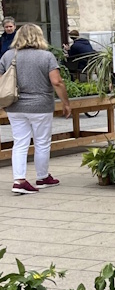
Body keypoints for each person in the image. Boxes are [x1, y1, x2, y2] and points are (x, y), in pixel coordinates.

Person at [0, 23, 70, 195]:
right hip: (41, 106)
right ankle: (42, 177)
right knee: (42, 142)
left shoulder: (8, 55)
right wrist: (66, 103)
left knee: (20, 142)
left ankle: (19, 180)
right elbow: (57, 82)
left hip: (14, 106)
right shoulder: (46, 57)